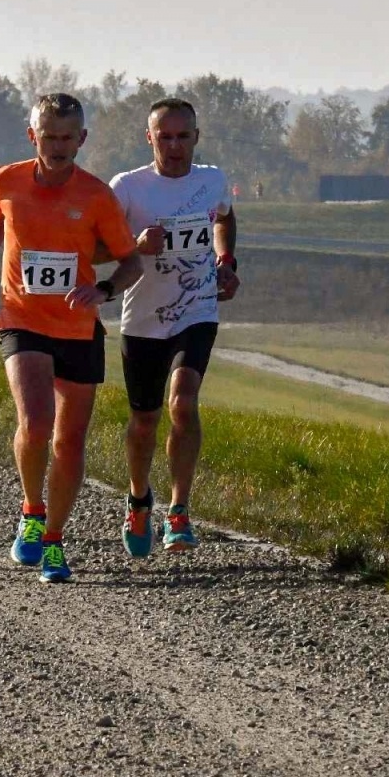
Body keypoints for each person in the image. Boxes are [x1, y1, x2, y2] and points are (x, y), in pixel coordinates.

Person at [0, 94, 142, 583]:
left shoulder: (95, 195)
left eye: (68, 138)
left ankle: (53, 540)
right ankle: (31, 510)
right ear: (33, 136)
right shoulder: (6, 179)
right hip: (22, 318)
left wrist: (104, 288)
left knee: (69, 441)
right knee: (37, 422)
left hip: (78, 327)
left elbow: (132, 260)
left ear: (82, 139)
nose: (59, 147)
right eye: (49, 137)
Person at [110, 98, 240, 557]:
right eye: (164, 136)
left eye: (183, 136)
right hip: (143, 318)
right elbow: (100, 245)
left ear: (196, 138)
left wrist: (225, 260)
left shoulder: (212, 180)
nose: (174, 146)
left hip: (197, 309)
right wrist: (136, 245)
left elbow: (224, 217)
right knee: (144, 420)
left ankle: (179, 511)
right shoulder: (127, 187)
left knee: (183, 403)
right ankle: (139, 498)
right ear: (149, 138)